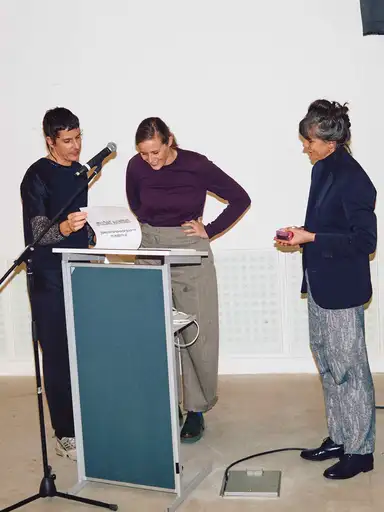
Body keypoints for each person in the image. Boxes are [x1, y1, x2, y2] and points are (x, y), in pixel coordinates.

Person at [126, 117, 251, 443]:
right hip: (150, 246)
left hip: (188, 248)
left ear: (170, 142)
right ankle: (160, 404)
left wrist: (208, 230)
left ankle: (195, 410)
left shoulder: (196, 165)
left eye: (156, 152)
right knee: (151, 330)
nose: (150, 161)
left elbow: (240, 197)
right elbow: (137, 204)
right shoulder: (135, 167)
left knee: (197, 330)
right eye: (144, 154)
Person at [275, 100, 376, 479]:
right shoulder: (322, 170)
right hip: (319, 283)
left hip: (341, 290)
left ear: (330, 142)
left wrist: (313, 237)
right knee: (330, 365)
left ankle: (361, 451)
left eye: (310, 141)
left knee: (350, 371)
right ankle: (339, 437)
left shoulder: (355, 179)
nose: (305, 146)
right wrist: (301, 236)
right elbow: (323, 225)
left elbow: (365, 240)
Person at [21, 107, 91, 461]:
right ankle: (65, 432)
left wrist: (97, 233)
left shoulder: (81, 173)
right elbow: (36, 232)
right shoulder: (36, 176)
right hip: (48, 277)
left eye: (78, 137)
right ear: (50, 141)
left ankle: (86, 420)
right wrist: (63, 229)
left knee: (83, 351)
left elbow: (80, 224)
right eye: (67, 141)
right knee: (58, 355)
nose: (76, 146)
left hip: (80, 270)